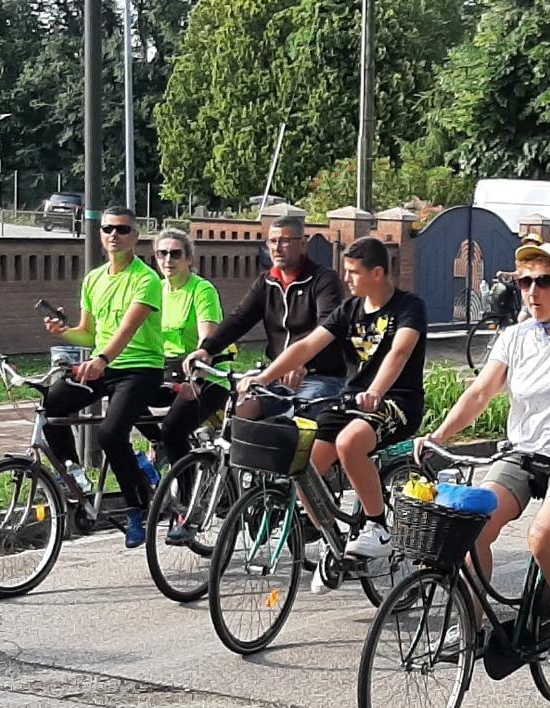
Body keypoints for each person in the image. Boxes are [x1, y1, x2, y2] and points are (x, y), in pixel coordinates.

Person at [423, 241, 550, 664]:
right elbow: (481, 392)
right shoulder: (514, 338)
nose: (533, 291)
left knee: (542, 536)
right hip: (523, 453)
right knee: (470, 530)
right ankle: (471, 626)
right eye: (525, 282)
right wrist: (439, 436)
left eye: (543, 281)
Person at [243, 237, 426, 561]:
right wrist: (263, 377)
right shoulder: (350, 310)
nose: (347, 278)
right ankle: (335, 545)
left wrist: (376, 392)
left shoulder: (408, 307)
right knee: (304, 464)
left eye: (354, 272)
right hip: (352, 400)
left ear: (378, 273)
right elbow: (305, 346)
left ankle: (378, 527)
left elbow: (399, 353)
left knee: (349, 443)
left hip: (396, 401)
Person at [42, 207, 165, 548]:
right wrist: (64, 331)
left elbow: (128, 328)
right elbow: (88, 333)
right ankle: (75, 476)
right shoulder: (94, 279)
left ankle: (137, 506)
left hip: (140, 368)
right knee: (53, 403)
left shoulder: (146, 279)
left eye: (123, 229)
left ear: (135, 237)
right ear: (100, 234)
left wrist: (101, 358)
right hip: (102, 365)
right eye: (108, 228)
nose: (114, 234)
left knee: (111, 434)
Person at [186, 215, 350, 417]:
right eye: (272, 241)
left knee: (301, 422)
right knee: (241, 409)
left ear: (303, 244)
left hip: (318, 376)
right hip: (275, 375)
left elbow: (326, 326)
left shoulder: (324, 280)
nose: (277, 247)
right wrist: (206, 350)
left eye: (285, 241)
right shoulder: (267, 282)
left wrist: (301, 363)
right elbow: (240, 318)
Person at [150, 228, 230, 544]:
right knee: (124, 404)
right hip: (166, 374)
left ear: (189, 260)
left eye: (175, 254)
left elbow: (207, 338)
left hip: (207, 376)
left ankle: (187, 506)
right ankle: (161, 462)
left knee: (172, 430)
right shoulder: (154, 290)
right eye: (162, 253)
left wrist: (194, 371)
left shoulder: (202, 290)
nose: (168, 259)